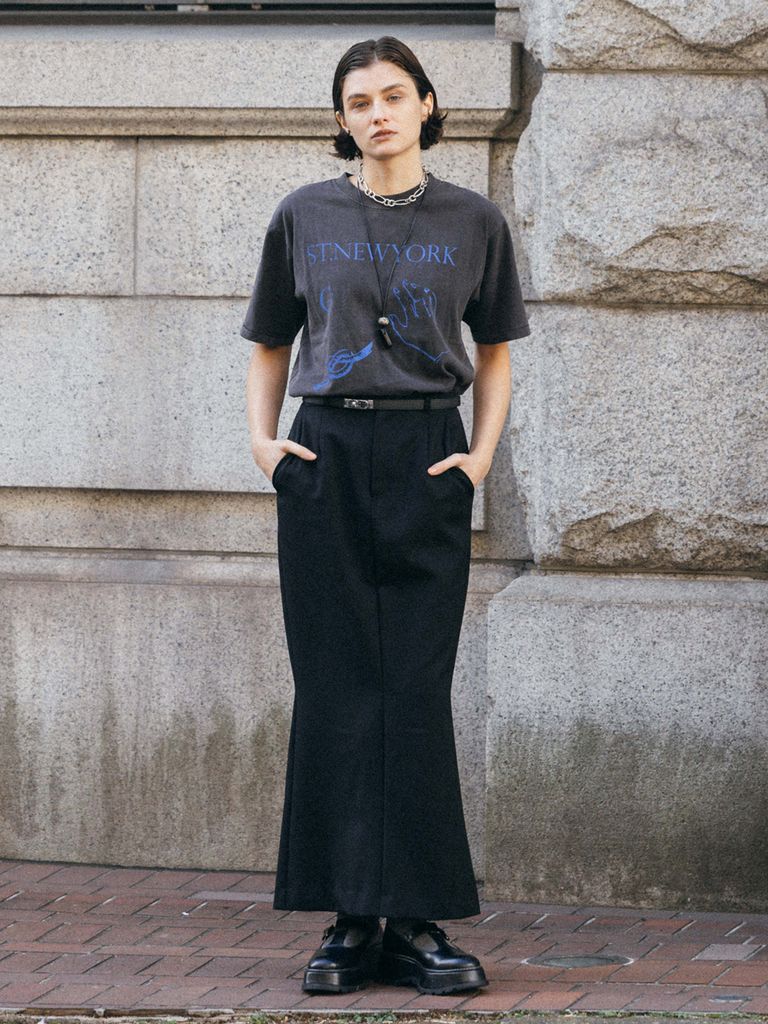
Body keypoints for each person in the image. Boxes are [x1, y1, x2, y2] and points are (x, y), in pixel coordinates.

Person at [239, 35, 530, 997]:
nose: (378, 113)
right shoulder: (303, 214)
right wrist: (263, 442)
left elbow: (495, 350)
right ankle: (347, 922)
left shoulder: (474, 219)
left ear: (427, 105)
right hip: (324, 453)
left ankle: (416, 921)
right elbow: (269, 340)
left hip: (425, 454)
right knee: (333, 685)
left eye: (394, 96)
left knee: (411, 687)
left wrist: (478, 459)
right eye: (359, 101)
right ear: (342, 119)